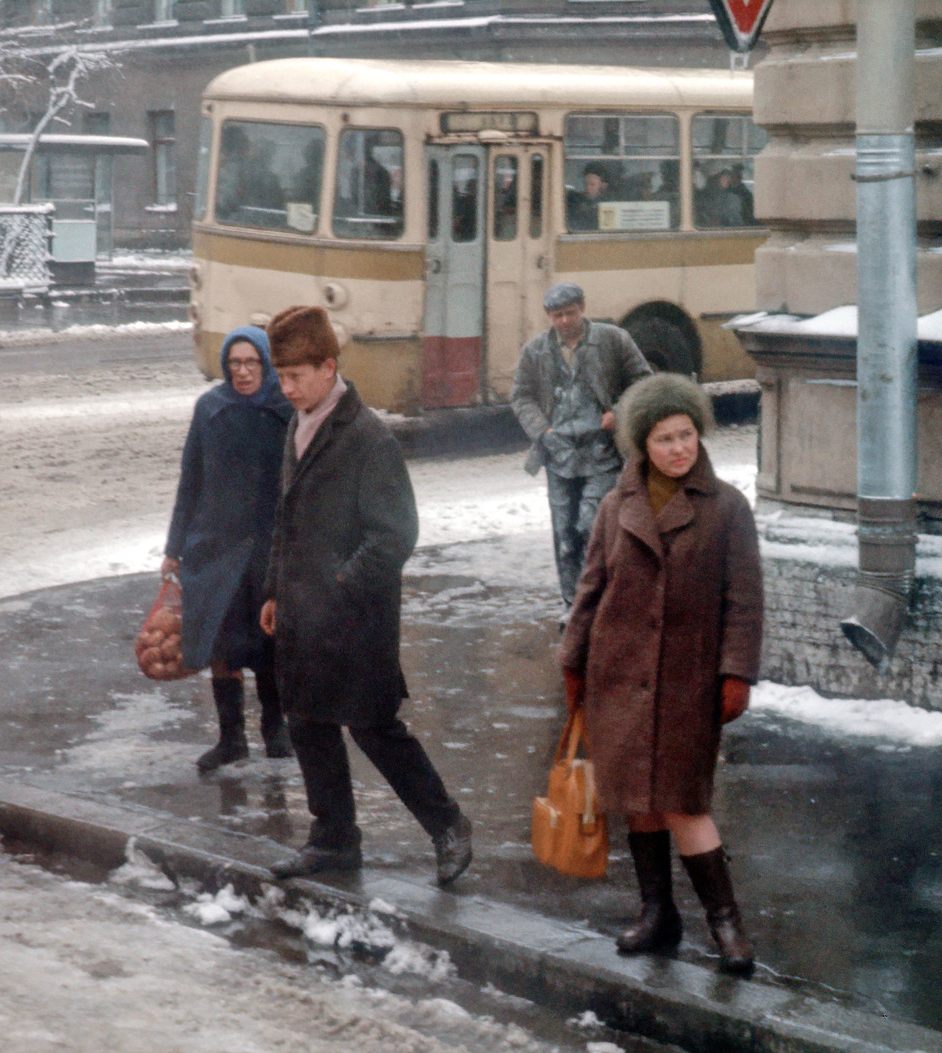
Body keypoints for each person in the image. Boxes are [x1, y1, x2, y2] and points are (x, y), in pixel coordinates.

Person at [258, 305, 473, 885]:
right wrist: (276, 589)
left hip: (356, 619)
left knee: (374, 728)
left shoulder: (368, 439)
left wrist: (340, 586)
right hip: (303, 614)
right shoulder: (297, 424)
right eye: (282, 376)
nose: (287, 388)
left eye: (297, 375)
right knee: (306, 722)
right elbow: (288, 516)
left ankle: (449, 825)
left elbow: (396, 534)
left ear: (329, 367)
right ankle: (333, 840)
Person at [559, 373, 764, 976]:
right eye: (664, 439)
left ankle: (726, 923)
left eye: (686, 435)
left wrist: (736, 673)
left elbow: (744, 600)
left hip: (687, 681)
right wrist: (573, 662)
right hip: (618, 675)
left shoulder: (726, 508)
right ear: (640, 446)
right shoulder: (614, 506)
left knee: (685, 804)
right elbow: (590, 590)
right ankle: (657, 914)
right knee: (637, 803)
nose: (679, 449)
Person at [163, 326, 294, 772]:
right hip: (215, 546)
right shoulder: (210, 409)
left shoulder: (285, 411)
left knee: (268, 643)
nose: (242, 372)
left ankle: (276, 733)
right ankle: (231, 739)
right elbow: (190, 480)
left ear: (265, 364)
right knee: (221, 642)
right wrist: (174, 547)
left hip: (266, 548)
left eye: (251, 362)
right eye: (235, 363)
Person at [509, 282, 652, 610]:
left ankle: (600, 600)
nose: (563, 321)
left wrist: (618, 411)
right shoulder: (535, 351)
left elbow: (643, 380)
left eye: (569, 313)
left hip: (602, 453)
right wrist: (542, 430)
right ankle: (572, 606)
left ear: (583, 308)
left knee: (591, 526)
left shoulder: (613, 340)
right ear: (547, 316)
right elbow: (521, 396)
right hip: (559, 454)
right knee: (565, 538)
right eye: (556, 315)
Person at [565, 162, 612, 232]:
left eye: (592, 184)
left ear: (603, 185)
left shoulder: (610, 203)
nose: (588, 188)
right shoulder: (574, 201)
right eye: (585, 184)